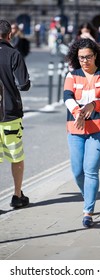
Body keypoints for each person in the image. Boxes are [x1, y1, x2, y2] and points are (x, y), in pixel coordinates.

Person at [63, 38, 100, 228]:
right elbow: (67, 97)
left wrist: (93, 105)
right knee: (78, 172)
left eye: (88, 57)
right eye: (81, 57)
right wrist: (78, 112)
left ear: (96, 56)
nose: (85, 61)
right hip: (76, 129)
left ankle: (88, 212)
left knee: (90, 170)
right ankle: (88, 195)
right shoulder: (72, 75)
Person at [0, 20, 31, 209]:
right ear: (9, 35)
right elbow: (23, 84)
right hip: (10, 114)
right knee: (16, 157)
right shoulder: (14, 54)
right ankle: (17, 196)